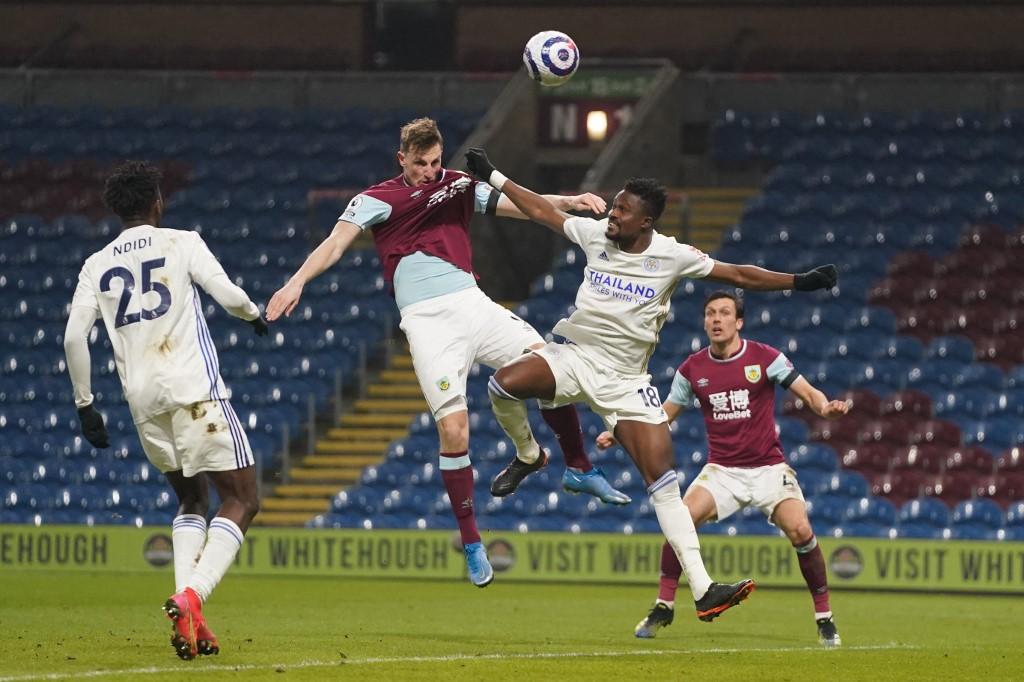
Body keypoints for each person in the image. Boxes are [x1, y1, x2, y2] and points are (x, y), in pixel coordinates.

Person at [463, 146, 840, 621]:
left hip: (627, 382)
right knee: (503, 384)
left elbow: (739, 273)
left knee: (663, 486)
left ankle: (703, 590)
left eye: (622, 209)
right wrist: (496, 175)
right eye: (615, 206)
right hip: (577, 357)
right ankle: (529, 454)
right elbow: (540, 210)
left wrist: (799, 281)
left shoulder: (672, 255)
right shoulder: (596, 233)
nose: (612, 213)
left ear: (646, 222)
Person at [265, 118, 629, 588]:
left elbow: (518, 205)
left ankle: (573, 466)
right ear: (402, 160)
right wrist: (296, 281)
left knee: (550, 364)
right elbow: (335, 242)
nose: (431, 171)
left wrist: (569, 202)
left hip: (473, 305)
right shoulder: (376, 198)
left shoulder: (458, 185)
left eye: (437, 161)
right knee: (454, 432)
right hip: (426, 323)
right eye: (421, 164)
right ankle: (474, 544)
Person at [63, 161, 267, 660]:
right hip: (194, 390)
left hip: (143, 402)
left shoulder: (96, 264)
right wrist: (254, 315)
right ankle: (192, 596)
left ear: (116, 211)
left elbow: (73, 336)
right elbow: (228, 295)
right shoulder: (182, 242)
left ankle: (189, 622)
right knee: (242, 499)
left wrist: (86, 405)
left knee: (191, 501)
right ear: (157, 202)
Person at [596, 291, 848, 646]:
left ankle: (825, 618)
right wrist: (621, 429)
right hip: (722, 471)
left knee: (801, 530)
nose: (716, 319)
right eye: (710, 312)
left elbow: (807, 393)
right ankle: (663, 606)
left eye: (724, 313)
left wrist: (825, 409)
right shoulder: (692, 369)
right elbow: (664, 413)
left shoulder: (765, 358)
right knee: (680, 518)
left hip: (768, 469)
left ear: (738, 322)